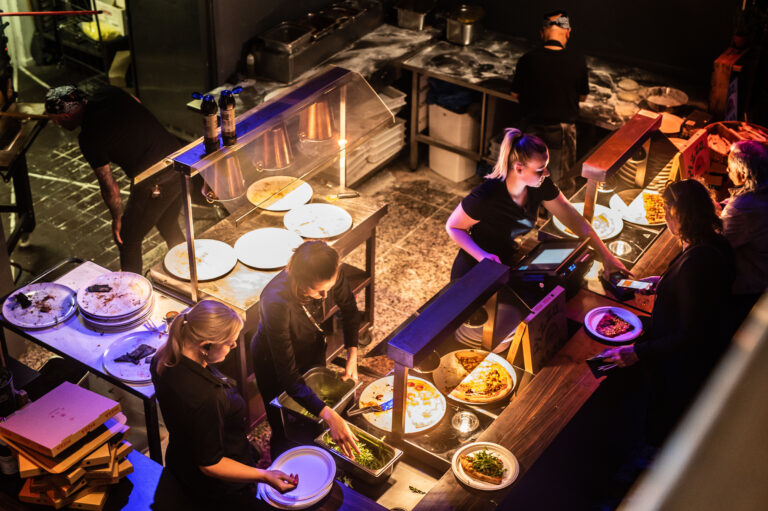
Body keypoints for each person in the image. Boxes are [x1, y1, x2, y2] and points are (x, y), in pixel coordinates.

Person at [601, 179, 735, 444]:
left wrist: (637, 352)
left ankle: (650, 456)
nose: (663, 216)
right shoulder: (715, 242)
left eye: (666, 209)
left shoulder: (695, 265)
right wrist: (664, 282)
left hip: (680, 366)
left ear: (681, 215)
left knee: (665, 422)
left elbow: (690, 335)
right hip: (698, 352)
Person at [151, 300, 298, 506]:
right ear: (205, 345)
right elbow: (210, 464)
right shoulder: (207, 397)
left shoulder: (163, 357)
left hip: (181, 460)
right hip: (218, 488)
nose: (235, 346)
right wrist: (265, 475)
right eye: (229, 343)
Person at [445, 128, 627, 280]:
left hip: (507, 261)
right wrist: (482, 256)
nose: (546, 173)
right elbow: (453, 227)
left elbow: (573, 218)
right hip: (474, 267)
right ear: (519, 168)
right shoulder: (487, 194)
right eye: (540, 170)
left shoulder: (539, 185)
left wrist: (607, 256)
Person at [44, 85, 184, 275]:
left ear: (66, 116)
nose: (55, 124)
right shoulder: (108, 92)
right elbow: (136, 101)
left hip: (155, 179)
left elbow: (109, 186)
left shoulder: (89, 138)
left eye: (55, 120)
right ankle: (186, 270)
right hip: (179, 159)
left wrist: (117, 219)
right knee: (168, 223)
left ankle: (132, 289)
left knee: (126, 238)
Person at [251, 241, 361, 459]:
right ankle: (281, 462)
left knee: (314, 413)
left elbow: (349, 309)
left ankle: (318, 453)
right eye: (318, 291)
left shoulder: (330, 272)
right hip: (273, 363)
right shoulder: (275, 301)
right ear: (299, 281)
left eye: (329, 288)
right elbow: (288, 377)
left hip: (310, 345)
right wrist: (331, 416)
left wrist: (352, 355)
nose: (325, 296)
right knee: (283, 426)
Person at [510, 9, 589, 193]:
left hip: (531, 129)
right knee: (560, 183)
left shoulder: (527, 60)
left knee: (527, 178)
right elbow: (583, 96)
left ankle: (528, 207)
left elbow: (515, 93)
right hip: (561, 132)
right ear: (568, 32)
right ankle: (555, 210)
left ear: (542, 33)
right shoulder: (577, 61)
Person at [721, 140, 768, 323]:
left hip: (753, 287)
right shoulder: (760, 192)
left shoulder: (742, 209)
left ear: (742, 174)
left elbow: (718, 243)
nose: (727, 170)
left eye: (730, 167)